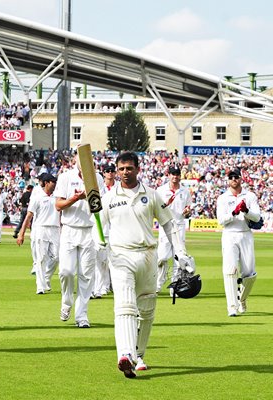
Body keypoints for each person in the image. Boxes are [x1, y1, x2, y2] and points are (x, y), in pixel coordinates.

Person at [99, 151, 194, 378]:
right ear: (116, 170)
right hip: (121, 256)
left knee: (147, 311)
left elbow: (169, 224)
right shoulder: (108, 198)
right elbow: (99, 226)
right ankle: (125, 355)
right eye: (121, 169)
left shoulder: (151, 195)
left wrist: (180, 252)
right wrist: (99, 243)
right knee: (124, 306)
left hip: (148, 255)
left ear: (138, 169)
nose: (124, 172)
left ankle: (138, 353)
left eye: (129, 168)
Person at [54, 152, 105, 328]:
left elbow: (101, 205)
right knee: (66, 272)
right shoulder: (65, 177)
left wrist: (89, 197)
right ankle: (66, 301)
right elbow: (58, 205)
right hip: (69, 229)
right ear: (76, 161)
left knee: (86, 276)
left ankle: (81, 315)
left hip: (89, 230)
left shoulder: (97, 177)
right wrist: (75, 198)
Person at [216, 167, 261, 317]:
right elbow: (221, 220)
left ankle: (241, 299)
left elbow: (257, 217)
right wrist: (234, 212)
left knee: (250, 274)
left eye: (236, 177)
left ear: (241, 178)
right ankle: (232, 307)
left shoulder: (250, 196)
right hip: (229, 235)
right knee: (230, 271)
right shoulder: (222, 198)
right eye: (231, 177)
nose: (234, 179)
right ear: (228, 180)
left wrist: (246, 211)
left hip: (246, 235)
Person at [16, 173, 60, 294]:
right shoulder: (37, 197)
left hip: (55, 229)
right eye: (53, 182)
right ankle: (40, 286)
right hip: (41, 228)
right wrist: (21, 233)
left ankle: (46, 279)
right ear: (46, 183)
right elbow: (28, 216)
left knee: (57, 257)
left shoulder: (57, 196)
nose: (55, 184)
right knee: (41, 258)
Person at [155, 165, 192, 292]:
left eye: (177, 174)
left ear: (180, 176)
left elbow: (187, 210)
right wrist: (166, 204)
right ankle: (158, 284)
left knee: (179, 258)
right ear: (168, 175)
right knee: (162, 257)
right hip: (165, 225)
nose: (175, 176)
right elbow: (156, 209)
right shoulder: (160, 190)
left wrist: (187, 211)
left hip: (179, 226)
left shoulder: (185, 191)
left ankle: (175, 287)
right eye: (172, 174)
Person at [92, 163, 116, 299]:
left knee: (111, 261)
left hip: (115, 229)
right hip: (100, 227)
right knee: (100, 260)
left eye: (112, 171)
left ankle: (107, 286)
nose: (110, 173)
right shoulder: (99, 188)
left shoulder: (118, 188)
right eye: (107, 171)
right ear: (104, 173)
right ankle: (100, 288)